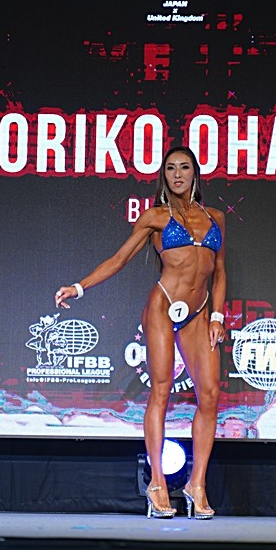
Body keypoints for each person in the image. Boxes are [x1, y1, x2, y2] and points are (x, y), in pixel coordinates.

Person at [55, 146, 226, 520]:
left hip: (199, 311)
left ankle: (197, 484)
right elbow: (119, 259)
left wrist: (217, 316)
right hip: (164, 306)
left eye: (184, 167)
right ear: (163, 176)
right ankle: (158, 483)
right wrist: (79, 287)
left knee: (210, 394)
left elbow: (220, 271)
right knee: (161, 389)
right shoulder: (156, 217)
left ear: (195, 173)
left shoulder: (215, 218)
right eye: (170, 168)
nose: (177, 174)